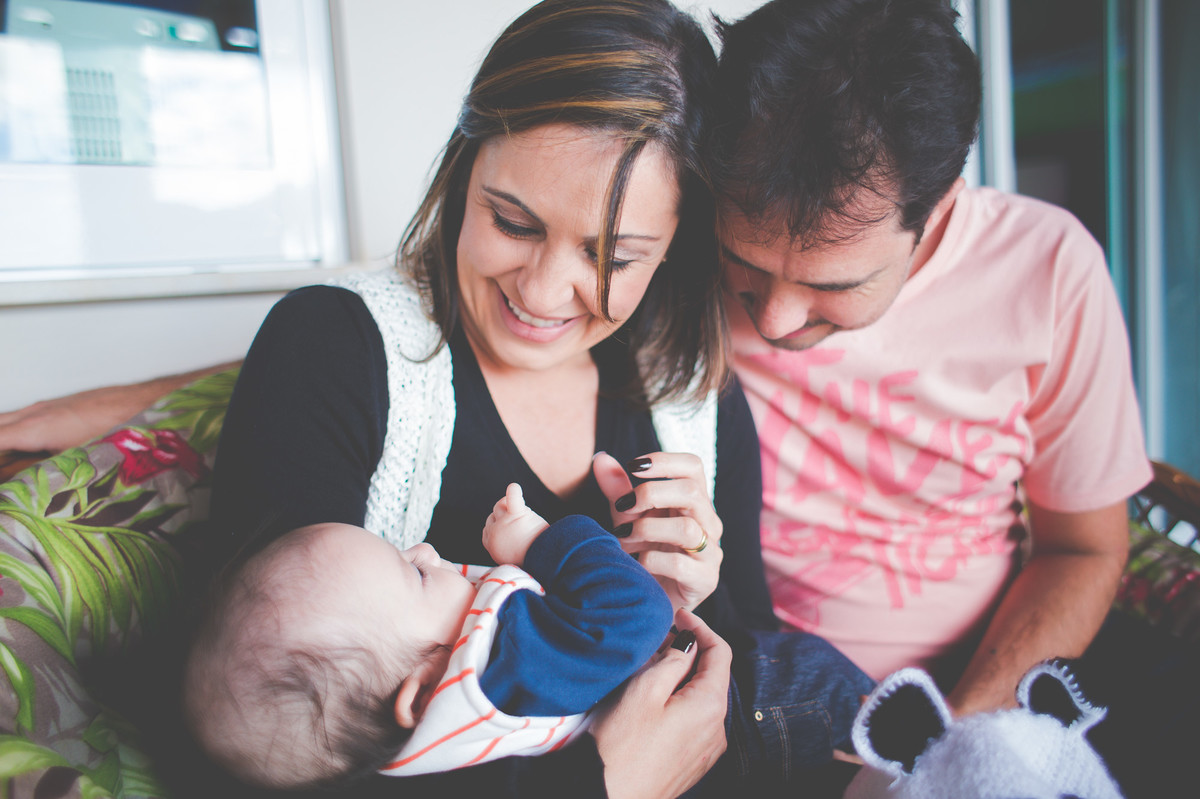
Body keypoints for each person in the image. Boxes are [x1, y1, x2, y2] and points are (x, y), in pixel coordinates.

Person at [3, 2, 873, 798]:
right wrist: (608, 783)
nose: (544, 288)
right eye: (514, 222)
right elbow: (265, 745)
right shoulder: (334, 349)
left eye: (613, 257)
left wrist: (702, 593)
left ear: (675, 247)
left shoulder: (697, 399)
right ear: (466, 171)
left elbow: (762, 678)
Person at [707, 2, 1194, 797]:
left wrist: (947, 749)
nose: (772, 318)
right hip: (772, 704)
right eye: (747, 267)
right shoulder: (678, 253)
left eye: (833, 285)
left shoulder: (1049, 267)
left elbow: (1082, 547)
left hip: (984, 687)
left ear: (937, 206)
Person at [184, 484, 675, 789]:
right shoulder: (504, 670)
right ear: (422, 692)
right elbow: (640, 612)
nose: (424, 550)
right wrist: (542, 544)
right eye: (415, 575)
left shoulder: (427, 753)